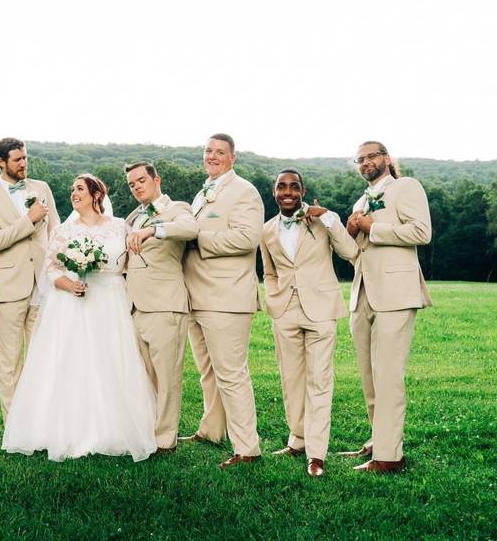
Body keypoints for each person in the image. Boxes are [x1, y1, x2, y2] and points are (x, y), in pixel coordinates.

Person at [2, 174, 157, 461]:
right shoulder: (64, 229)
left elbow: (128, 264)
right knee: (72, 362)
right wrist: (69, 284)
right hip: (72, 303)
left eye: (80, 189)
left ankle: (113, 429)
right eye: (72, 189)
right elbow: (50, 270)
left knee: (111, 360)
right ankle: (66, 428)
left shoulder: (119, 226)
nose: (74, 193)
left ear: (96, 195)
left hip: (110, 299)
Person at [260, 169, 358, 477]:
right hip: (285, 311)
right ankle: (297, 440)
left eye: (294, 186)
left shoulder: (321, 221)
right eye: (281, 186)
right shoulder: (266, 230)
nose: (287, 191)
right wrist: (275, 300)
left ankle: (317, 454)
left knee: (319, 382)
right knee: (291, 381)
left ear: (302, 190)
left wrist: (329, 216)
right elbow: (270, 271)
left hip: (320, 310)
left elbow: (350, 251)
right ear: (274, 192)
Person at [342, 141, 432, 473]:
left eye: (371, 156)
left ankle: (389, 456)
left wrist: (372, 228)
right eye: (360, 159)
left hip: (395, 293)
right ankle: (376, 439)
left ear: (386, 159)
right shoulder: (360, 201)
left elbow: (422, 232)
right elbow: (356, 252)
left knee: (388, 375)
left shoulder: (406, 187)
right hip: (362, 293)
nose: (366, 162)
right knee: (369, 375)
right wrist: (350, 232)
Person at [181, 133, 264, 468]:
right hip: (196, 295)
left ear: (233, 157)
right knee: (207, 371)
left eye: (219, 152)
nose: (212, 156)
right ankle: (212, 429)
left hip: (226, 297)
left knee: (231, 373)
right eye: (208, 151)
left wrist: (196, 239)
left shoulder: (244, 191)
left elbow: (247, 238)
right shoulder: (203, 191)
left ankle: (247, 449)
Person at [0, 137, 60, 421]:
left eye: (25, 158)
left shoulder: (41, 188)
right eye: (18, 160)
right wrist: (30, 219)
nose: (24, 164)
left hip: (44, 284)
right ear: (1, 163)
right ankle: (14, 424)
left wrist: (58, 266)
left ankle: (41, 419)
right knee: (10, 359)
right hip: (11, 287)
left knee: (42, 356)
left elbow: (55, 229)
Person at [123, 161, 199, 453]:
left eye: (141, 180)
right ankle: (147, 429)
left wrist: (152, 231)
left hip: (165, 304)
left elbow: (190, 229)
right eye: (132, 184)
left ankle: (165, 438)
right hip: (134, 305)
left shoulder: (177, 208)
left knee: (167, 376)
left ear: (156, 179)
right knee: (145, 375)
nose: (137, 186)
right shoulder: (133, 216)